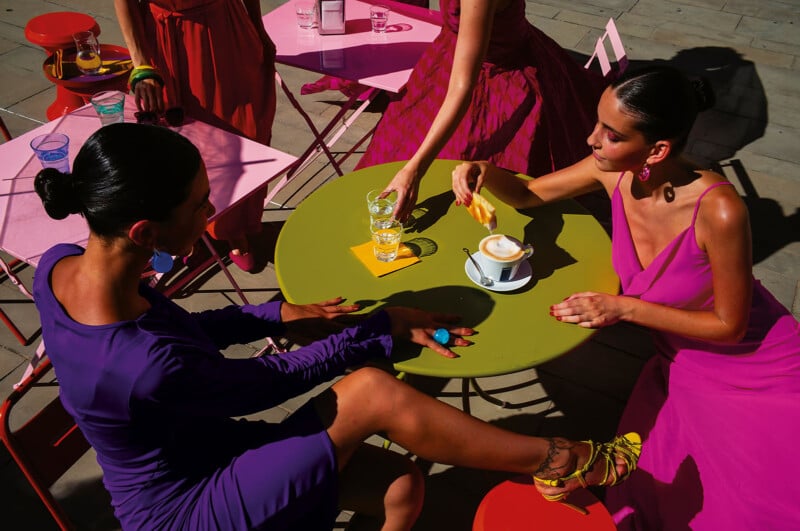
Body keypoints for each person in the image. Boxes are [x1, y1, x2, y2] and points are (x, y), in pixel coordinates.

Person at [32, 123, 639, 530]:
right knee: (372, 391)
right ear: (144, 231)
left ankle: (551, 460)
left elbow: (184, 329)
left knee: (400, 487)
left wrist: (277, 312)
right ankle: (559, 459)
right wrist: (379, 328)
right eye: (198, 205)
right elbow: (262, 386)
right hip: (182, 507)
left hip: (198, 448)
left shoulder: (61, 267)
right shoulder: (142, 365)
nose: (211, 212)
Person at [452, 65, 800, 530]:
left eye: (610, 134)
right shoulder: (613, 172)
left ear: (656, 149)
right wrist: (485, 170)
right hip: (678, 357)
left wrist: (623, 307)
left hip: (751, 362)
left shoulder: (720, 209)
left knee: (742, 507)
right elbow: (530, 195)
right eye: (597, 124)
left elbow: (729, 326)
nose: (592, 140)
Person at [357, 0, 606, 222]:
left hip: (494, 81)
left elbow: (462, 88)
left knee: (465, 176)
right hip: (457, 56)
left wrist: (414, 170)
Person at [114, 0, 277, 272]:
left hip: (227, 30)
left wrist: (259, 30)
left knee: (242, 134)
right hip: (164, 38)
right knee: (177, 142)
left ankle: (232, 228)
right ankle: (185, 231)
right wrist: (141, 65)